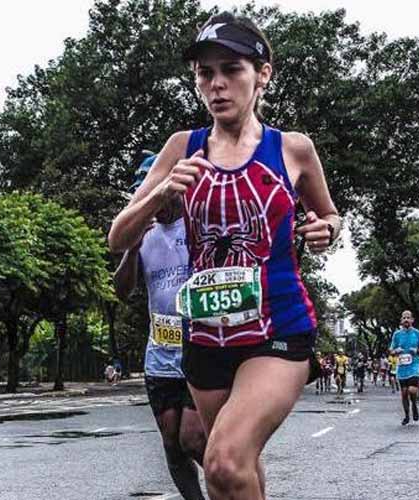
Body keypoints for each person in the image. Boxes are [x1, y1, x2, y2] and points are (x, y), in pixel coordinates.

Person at [107, 12, 340, 498]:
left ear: (262, 75)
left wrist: (325, 229)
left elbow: (330, 216)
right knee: (235, 471)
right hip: (206, 337)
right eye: (204, 74)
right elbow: (118, 237)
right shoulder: (181, 148)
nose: (217, 84)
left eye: (231, 70)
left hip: (278, 328)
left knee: (224, 460)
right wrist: (160, 193)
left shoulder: (293, 149)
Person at [113, 154, 207, 500]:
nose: (157, 205)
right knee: (172, 445)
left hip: (202, 348)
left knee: (193, 439)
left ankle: (237, 484)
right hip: (161, 357)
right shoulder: (142, 233)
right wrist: (132, 250)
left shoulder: (198, 226)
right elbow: (121, 291)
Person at [389, 311, 419, 425]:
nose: (406, 320)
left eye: (408, 318)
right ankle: (407, 415)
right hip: (402, 366)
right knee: (404, 392)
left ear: (412, 320)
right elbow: (391, 350)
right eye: (404, 318)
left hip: (414, 365)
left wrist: (418, 350)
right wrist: (396, 351)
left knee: (412, 389)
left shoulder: (418, 333)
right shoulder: (397, 334)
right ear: (401, 320)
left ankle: (414, 406)